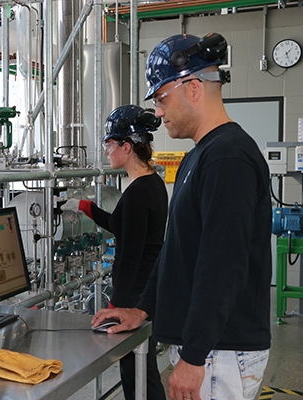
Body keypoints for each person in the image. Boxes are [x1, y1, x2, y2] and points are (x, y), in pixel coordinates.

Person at [92, 33, 272, 400]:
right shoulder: (199, 155)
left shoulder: (228, 158)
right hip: (209, 348)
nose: (158, 112)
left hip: (220, 351)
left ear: (193, 88)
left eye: (161, 98)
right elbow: (177, 251)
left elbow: (222, 266)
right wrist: (142, 310)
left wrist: (193, 358)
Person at [62, 104, 167, 400]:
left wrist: (118, 306)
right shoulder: (150, 182)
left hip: (134, 292)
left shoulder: (137, 193)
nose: (107, 150)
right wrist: (86, 207)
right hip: (144, 284)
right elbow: (122, 227)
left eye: (109, 143)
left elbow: (131, 254)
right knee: (139, 368)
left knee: (137, 372)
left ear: (126, 146)